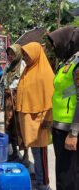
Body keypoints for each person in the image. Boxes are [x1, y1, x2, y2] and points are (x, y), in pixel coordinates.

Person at [17, 42, 54, 190]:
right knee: (34, 149)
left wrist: (48, 118)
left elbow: (51, 98)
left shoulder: (45, 73)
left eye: (27, 54)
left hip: (40, 119)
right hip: (29, 117)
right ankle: (39, 177)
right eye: (24, 54)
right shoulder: (28, 70)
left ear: (35, 54)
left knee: (41, 151)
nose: (25, 57)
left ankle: (44, 183)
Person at [47, 26, 79, 190]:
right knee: (62, 175)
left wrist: (73, 133)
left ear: (69, 41)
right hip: (60, 127)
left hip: (70, 130)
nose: (54, 48)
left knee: (69, 179)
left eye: (56, 44)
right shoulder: (67, 62)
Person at [0, 44, 28, 164]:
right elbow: (2, 83)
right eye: (9, 53)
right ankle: (14, 152)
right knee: (9, 126)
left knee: (21, 127)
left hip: (19, 98)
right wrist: (0, 101)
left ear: (18, 53)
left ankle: (25, 155)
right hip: (8, 99)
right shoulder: (8, 66)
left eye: (13, 53)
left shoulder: (24, 66)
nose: (10, 56)